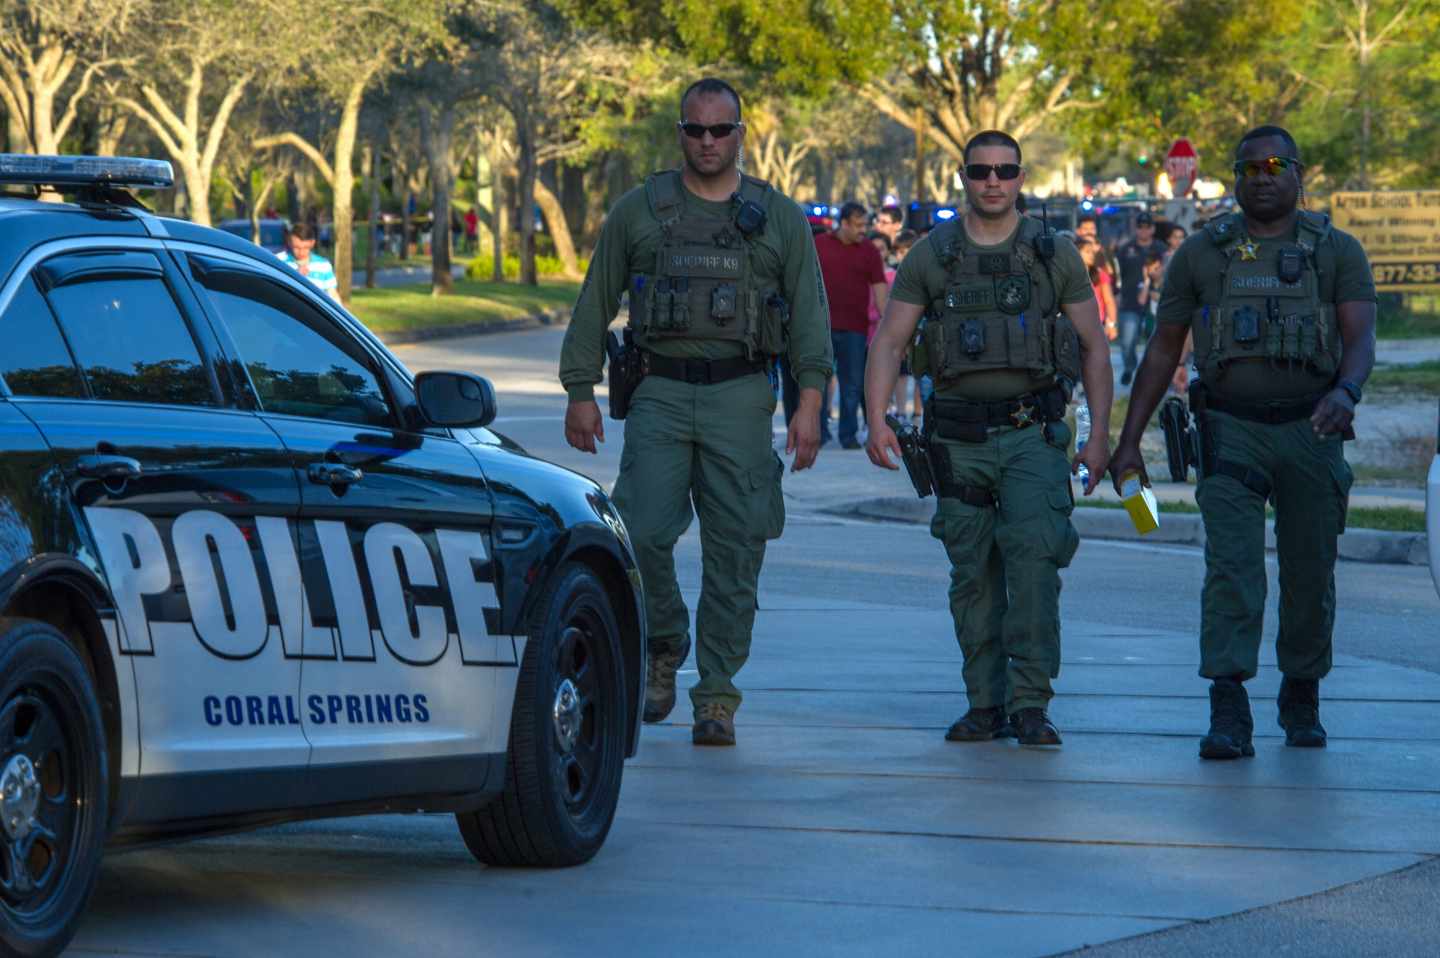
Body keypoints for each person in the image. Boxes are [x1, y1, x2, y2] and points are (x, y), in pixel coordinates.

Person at [558, 77, 832, 747]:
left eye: (721, 130)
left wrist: (811, 402)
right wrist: (579, 389)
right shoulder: (640, 210)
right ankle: (666, 641)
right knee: (640, 532)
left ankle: (716, 696)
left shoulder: (778, 217)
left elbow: (809, 315)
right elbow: (597, 298)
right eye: (695, 129)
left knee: (736, 548)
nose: (708, 141)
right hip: (659, 390)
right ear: (679, 132)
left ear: (741, 134)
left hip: (742, 395)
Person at [1108, 125, 1376, 761]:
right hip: (1229, 430)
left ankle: (1301, 692)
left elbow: (1360, 337)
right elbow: (1163, 348)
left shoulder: (1336, 250)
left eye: (1275, 164)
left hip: (1313, 430)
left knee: (1310, 570)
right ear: (1234, 178)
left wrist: (1349, 392)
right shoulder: (1203, 254)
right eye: (1250, 167)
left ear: (1298, 174)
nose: (1263, 176)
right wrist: (1128, 445)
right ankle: (1228, 705)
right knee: (1231, 569)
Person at [865, 130, 1113, 747]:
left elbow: (1093, 348)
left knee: (1033, 568)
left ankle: (1030, 704)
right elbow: (890, 341)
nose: (993, 181)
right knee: (972, 576)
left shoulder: (1053, 253)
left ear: (1021, 177)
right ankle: (984, 704)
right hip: (958, 440)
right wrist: (875, 419)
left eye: (1005, 170)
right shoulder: (933, 255)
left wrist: (1099, 436)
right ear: (964, 177)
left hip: (1033, 434)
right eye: (981, 171)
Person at [816, 201, 888, 448]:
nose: (863, 230)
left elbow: (880, 292)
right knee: (819, 381)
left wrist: (889, 328)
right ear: (843, 223)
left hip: (855, 329)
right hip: (821, 328)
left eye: (865, 225)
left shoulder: (869, 251)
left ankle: (848, 435)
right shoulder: (820, 245)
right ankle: (819, 432)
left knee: (852, 384)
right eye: (857, 225)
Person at [1115, 212, 1166, 385]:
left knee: (1156, 341)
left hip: (1155, 301)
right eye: (1140, 227)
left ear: (1152, 228)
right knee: (1127, 341)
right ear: (1136, 228)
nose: (1143, 230)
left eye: (1147, 227)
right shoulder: (1126, 249)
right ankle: (1130, 368)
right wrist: (1116, 295)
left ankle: (1152, 373)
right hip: (1130, 302)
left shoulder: (1161, 249)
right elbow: (1116, 275)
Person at [276, 222, 339, 302]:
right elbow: (275, 289)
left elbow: (333, 294)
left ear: (312, 243)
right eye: (296, 247)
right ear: (289, 242)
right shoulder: (279, 260)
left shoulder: (323, 265)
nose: (301, 252)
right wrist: (294, 276)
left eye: (306, 248)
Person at [1077, 236, 1118, 343]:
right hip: (1074, 326)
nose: (1091, 255)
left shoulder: (1100, 275)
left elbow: (1109, 301)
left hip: (1096, 326)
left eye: (1092, 252)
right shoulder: (1069, 277)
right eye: (1087, 252)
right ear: (1076, 253)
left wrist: (1111, 325)